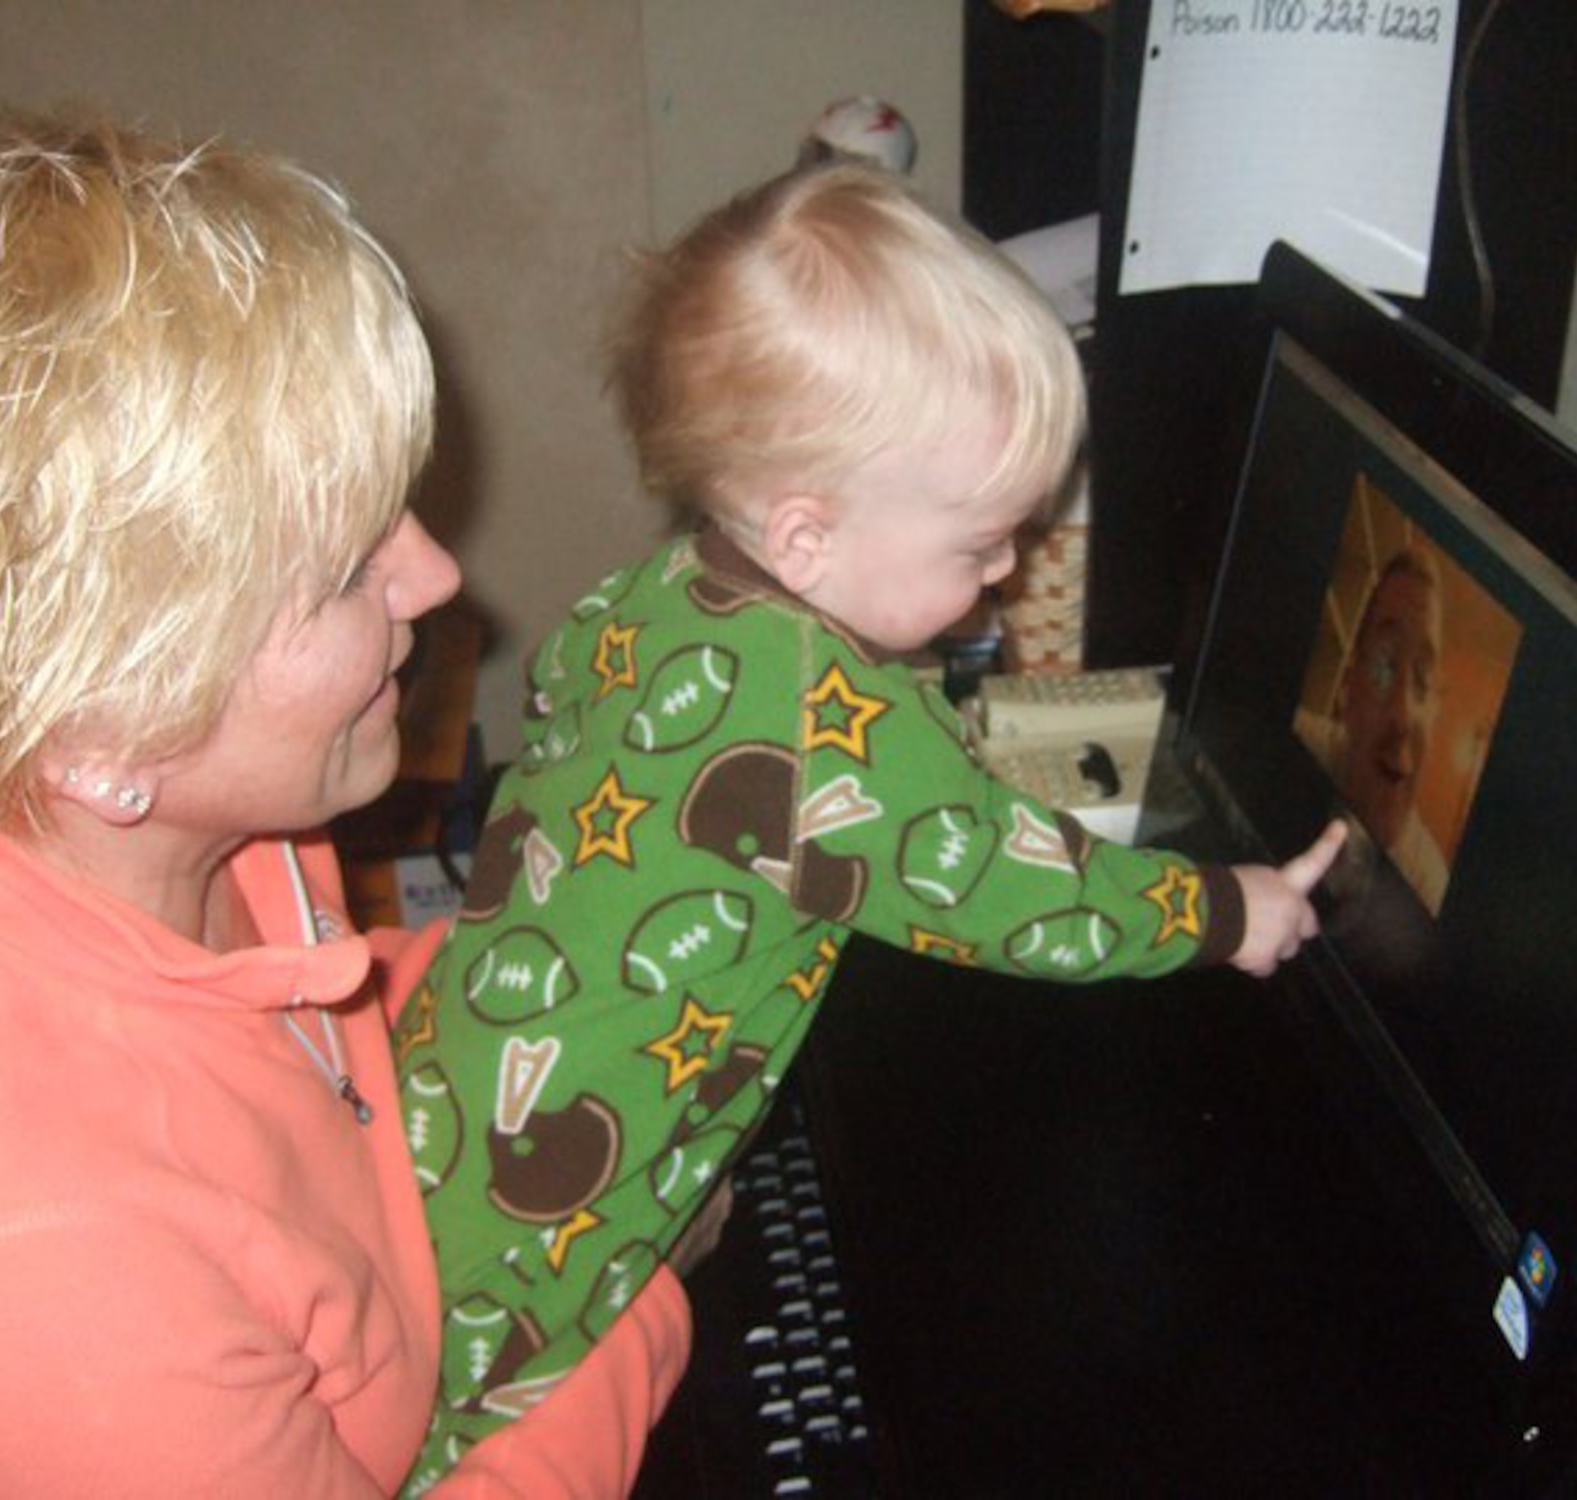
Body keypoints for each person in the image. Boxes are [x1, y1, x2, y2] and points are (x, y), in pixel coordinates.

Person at [0, 97, 691, 1496]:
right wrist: (651, 1284)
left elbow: (309, 1057)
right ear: (92, 729)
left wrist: (593, 980)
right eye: (343, 569)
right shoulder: (18, 1290)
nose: (434, 579)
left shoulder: (134, 794)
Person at [393, 161, 1347, 1482]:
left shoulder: (654, 597)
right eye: (978, 545)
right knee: (461, 1441)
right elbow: (1030, 905)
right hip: (537, 1239)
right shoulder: (821, 724)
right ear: (806, 535)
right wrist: (1232, 911)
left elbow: (608, 733)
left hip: (448, 1102)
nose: (1007, 567)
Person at [1300, 547, 1450, 910]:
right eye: (1384, 665)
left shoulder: (1429, 886)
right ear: (1347, 689)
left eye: (1423, 678)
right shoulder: (1299, 741)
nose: (1402, 714)